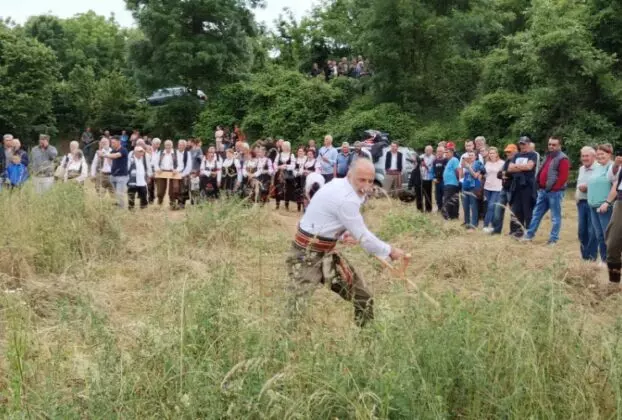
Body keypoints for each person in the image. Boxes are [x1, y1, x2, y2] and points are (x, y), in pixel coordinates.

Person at [285, 159, 406, 328]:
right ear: (350, 175)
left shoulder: (338, 184)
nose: (366, 186)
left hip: (327, 253)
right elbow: (364, 237)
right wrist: (390, 251)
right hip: (306, 255)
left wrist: (342, 234)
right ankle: (283, 340)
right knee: (296, 308)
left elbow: (324, 217)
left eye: (370, 181)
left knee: (363, 297)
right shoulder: (346, 198)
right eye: (361, 180)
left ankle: (367, 337)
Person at [522, 136, 570, 245]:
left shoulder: (563, 158)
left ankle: (553, 239)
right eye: (550, 144)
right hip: (543, 191)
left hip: (555, 192)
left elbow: (563, 177)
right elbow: (542, 170)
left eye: (554, 145)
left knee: (555, 217)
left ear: (559, 146)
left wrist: (554, 188)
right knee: (536, 214)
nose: (551, 146)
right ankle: (529, 235)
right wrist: (539, 183)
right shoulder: (548, 156)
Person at [508, 136, 539, 238]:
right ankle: (517, 231)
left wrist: (516, 167)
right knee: (516, 209)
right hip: (517, 186)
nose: (522, 146)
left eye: (524, 144)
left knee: (528, 209)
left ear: (529, 144)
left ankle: (529, 232)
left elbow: (529, 167)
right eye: (521, 144)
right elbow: (510, 169)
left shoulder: (533, 155)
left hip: (528, 186)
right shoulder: (516, 155)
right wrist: (522, 168)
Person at [589, 144, 615, 265]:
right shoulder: (597, 167)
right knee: (599, 235)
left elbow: (616, 187)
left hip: (605, 207)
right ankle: (604, 259)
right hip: (593, 206)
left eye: (602, 154)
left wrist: (607, 202)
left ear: (609, 154)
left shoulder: (613, 167)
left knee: (607, 235)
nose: (599, 156)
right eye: (598, 154)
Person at [576, 147, 598, 261]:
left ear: (594, 157)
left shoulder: (599, 168)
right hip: (581, 203)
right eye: (583, 156)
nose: (584, 158)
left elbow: (601, 185)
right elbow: (578, 185)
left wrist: (588, 188)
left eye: (587, 156)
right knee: (582, 231)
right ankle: (584, 256)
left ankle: (591, 256)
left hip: (593, 202)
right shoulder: (581, 169)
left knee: (592, 231)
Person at [603, 151, 622, 286]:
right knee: (612, 242)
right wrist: (616, 164)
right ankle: (614, 283)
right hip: (620, 203)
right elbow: (613, 179)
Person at [493, 144, 520, 236]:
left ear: (516, 151)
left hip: (513, 189)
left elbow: (515, 174)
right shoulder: (507, 161)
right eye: (507, 152)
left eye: (510, 151)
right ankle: (496, 231)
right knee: (498, 209)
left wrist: (506, 174)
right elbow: (498, 174)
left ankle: (513, 232)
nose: (508, 153)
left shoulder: (518, 161)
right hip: (504, 188)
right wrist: (506, 174)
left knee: (513, 212)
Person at [460, 151, 485, 231]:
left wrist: (468, 167)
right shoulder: (467, 163)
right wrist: (463, 166)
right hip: (465, 186)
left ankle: (474, 224)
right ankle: (467, 223)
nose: (470, 156)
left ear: (476, 156)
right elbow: (463, 175)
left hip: (473, 187)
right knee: (465, 206)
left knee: (474, 206)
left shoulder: (478, 164)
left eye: (472, 155)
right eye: (469, 155)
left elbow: (475, 176)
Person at [154, 140, 183, 208]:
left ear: (172, 146)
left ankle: (172, 205)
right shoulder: (160, 152)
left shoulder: (176, 153)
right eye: (167, 145)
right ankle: (160, 202)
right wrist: (158, 169)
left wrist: (176, 170)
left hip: (173, 172)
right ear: (164, 146)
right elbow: (155, 163)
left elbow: (181, 165)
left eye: (169, 145)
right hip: (161, 172)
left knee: (172, 191)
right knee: (160, 191)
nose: (168, 147)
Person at [482, 147, 505, 233]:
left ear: (497, 154)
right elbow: (485, 174)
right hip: (487, 187)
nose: (491, 154)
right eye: (490, 153)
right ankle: (491, 225)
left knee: (491, 206)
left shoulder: (502, 163)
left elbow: (504, 175)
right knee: (488, 206)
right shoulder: (487, 163)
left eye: (493, 153)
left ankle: (486, 225)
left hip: (497, 188)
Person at [106, 136, 130, 208]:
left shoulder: (123, 150)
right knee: (116, 194)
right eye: (111, 142)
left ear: (119, 142)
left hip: (122, 176)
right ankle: (117, 208)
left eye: (113, 142)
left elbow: (116, 156)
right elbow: (109, 157)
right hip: (113, 175)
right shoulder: (112, 151)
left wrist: (105, 155)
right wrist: (111, 165)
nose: (112, 144)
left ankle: (121, 210)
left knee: (120, 194)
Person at [127, 146, 152, 210]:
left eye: (142, 152)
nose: (141, 153)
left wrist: (148, 176)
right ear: (135, 152)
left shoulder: (143, 160)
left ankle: (143, 209)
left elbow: (148, 167)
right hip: (133, 181)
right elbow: (127, 169)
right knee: (131, 196)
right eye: (140, 152)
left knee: (144, 195)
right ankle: (131, 209)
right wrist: (127, 179)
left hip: (142, 181)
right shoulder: (131, 160)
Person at [273, 141, 297, 210]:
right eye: (283, 146)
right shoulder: (279, 154)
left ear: (288, 147)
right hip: (279, 173)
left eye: (285, 146)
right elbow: (274, 164)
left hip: (288, 174)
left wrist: (286, 166)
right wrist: (279, 167)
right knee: (278, 188)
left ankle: (287, 205)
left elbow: (293, 165)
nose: (283, 147)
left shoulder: (291, 155)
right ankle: (277, 205)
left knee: (287, 189)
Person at [441, 143, 461, 220]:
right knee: (452, 200)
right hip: (448, 184)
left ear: (452, 152)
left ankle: (448, 216)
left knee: (447, 200)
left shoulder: (454, 160)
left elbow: (457, 171)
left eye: (447, 152)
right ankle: (453, 216)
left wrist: (458, 181)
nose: (446, 154)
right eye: (445, 152)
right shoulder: (449, 161)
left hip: (452, 184)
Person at [420, 145, 435, 213]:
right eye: (426, 150)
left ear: (431, 151)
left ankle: (428, 209)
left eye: (429, 150)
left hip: (428, 178)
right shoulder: (421, 157)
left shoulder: (433, 158)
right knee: (420, 194)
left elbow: (432, 169)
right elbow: (416, 165)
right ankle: (420, 208)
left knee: (428, 194)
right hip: (421, 178)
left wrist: (425, 165)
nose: (427, 151)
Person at [433, 146, 447, 212]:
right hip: (437, 181)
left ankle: (445, 209)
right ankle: (439, 208)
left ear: (443, 152)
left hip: (444, 181)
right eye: (438, 151)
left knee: (445, 195)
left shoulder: (446, 160)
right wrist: (434, 178)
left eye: (440, 151)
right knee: (438, 196)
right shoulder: (435, 161)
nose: (439, 152)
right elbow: (433, 171)